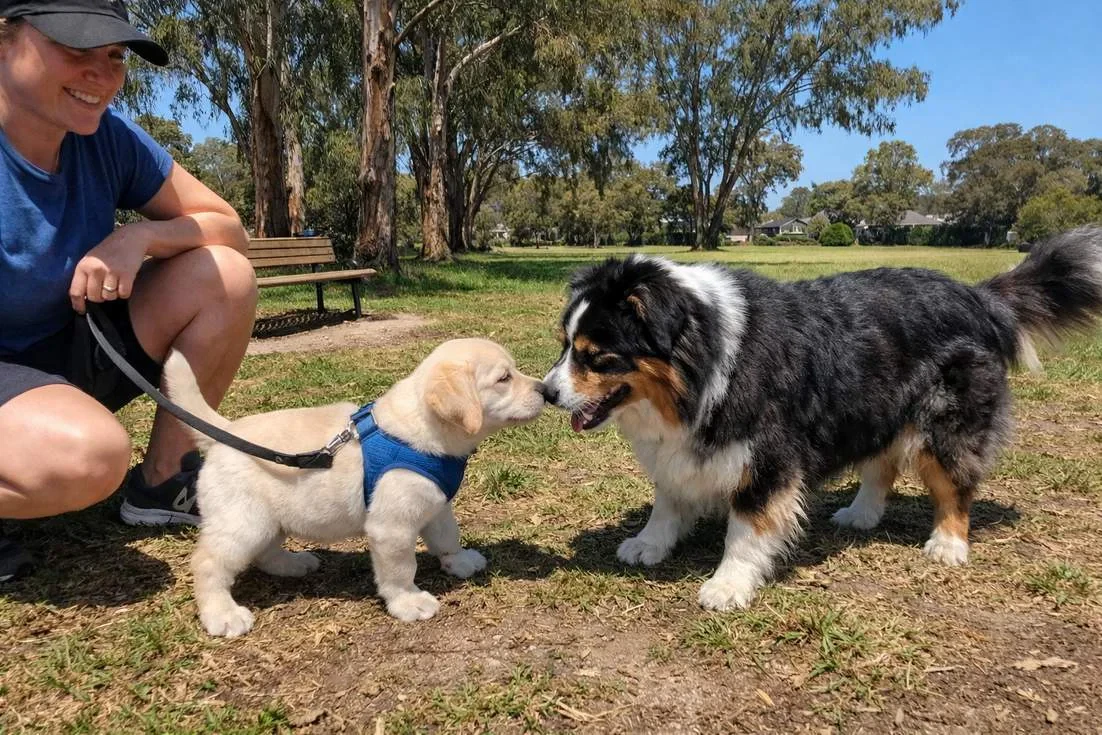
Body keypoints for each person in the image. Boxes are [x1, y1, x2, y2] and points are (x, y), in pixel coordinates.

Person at [0, 0, 258, 582]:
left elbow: (228, 228)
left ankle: (165, 480)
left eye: (115, 54)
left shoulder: (106, 138)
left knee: (225, 274)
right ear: (4, 41)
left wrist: (140, 235)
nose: (102, 73)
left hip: (66, 346)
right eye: (75, 48)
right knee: (89, 458)